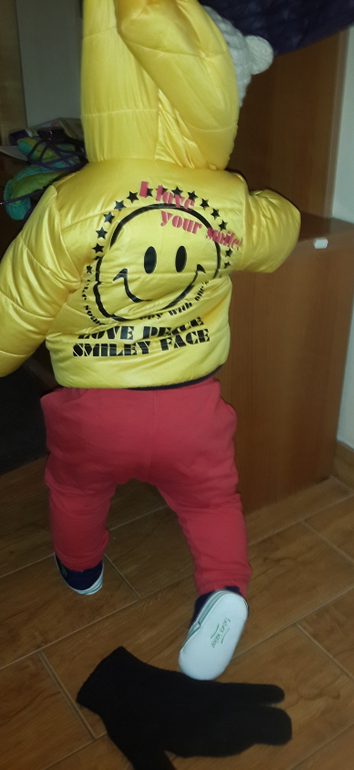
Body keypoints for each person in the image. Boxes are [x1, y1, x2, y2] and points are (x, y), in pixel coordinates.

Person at [0, 0, 300, 680]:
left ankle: (82, 571)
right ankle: (222, 588)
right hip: (191, 406)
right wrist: (258, 208)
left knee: (76, 490)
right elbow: (279, 233)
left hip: (94, 409)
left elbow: (16, 308)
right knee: (210, 499)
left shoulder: (72, 201)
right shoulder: (224, 201)